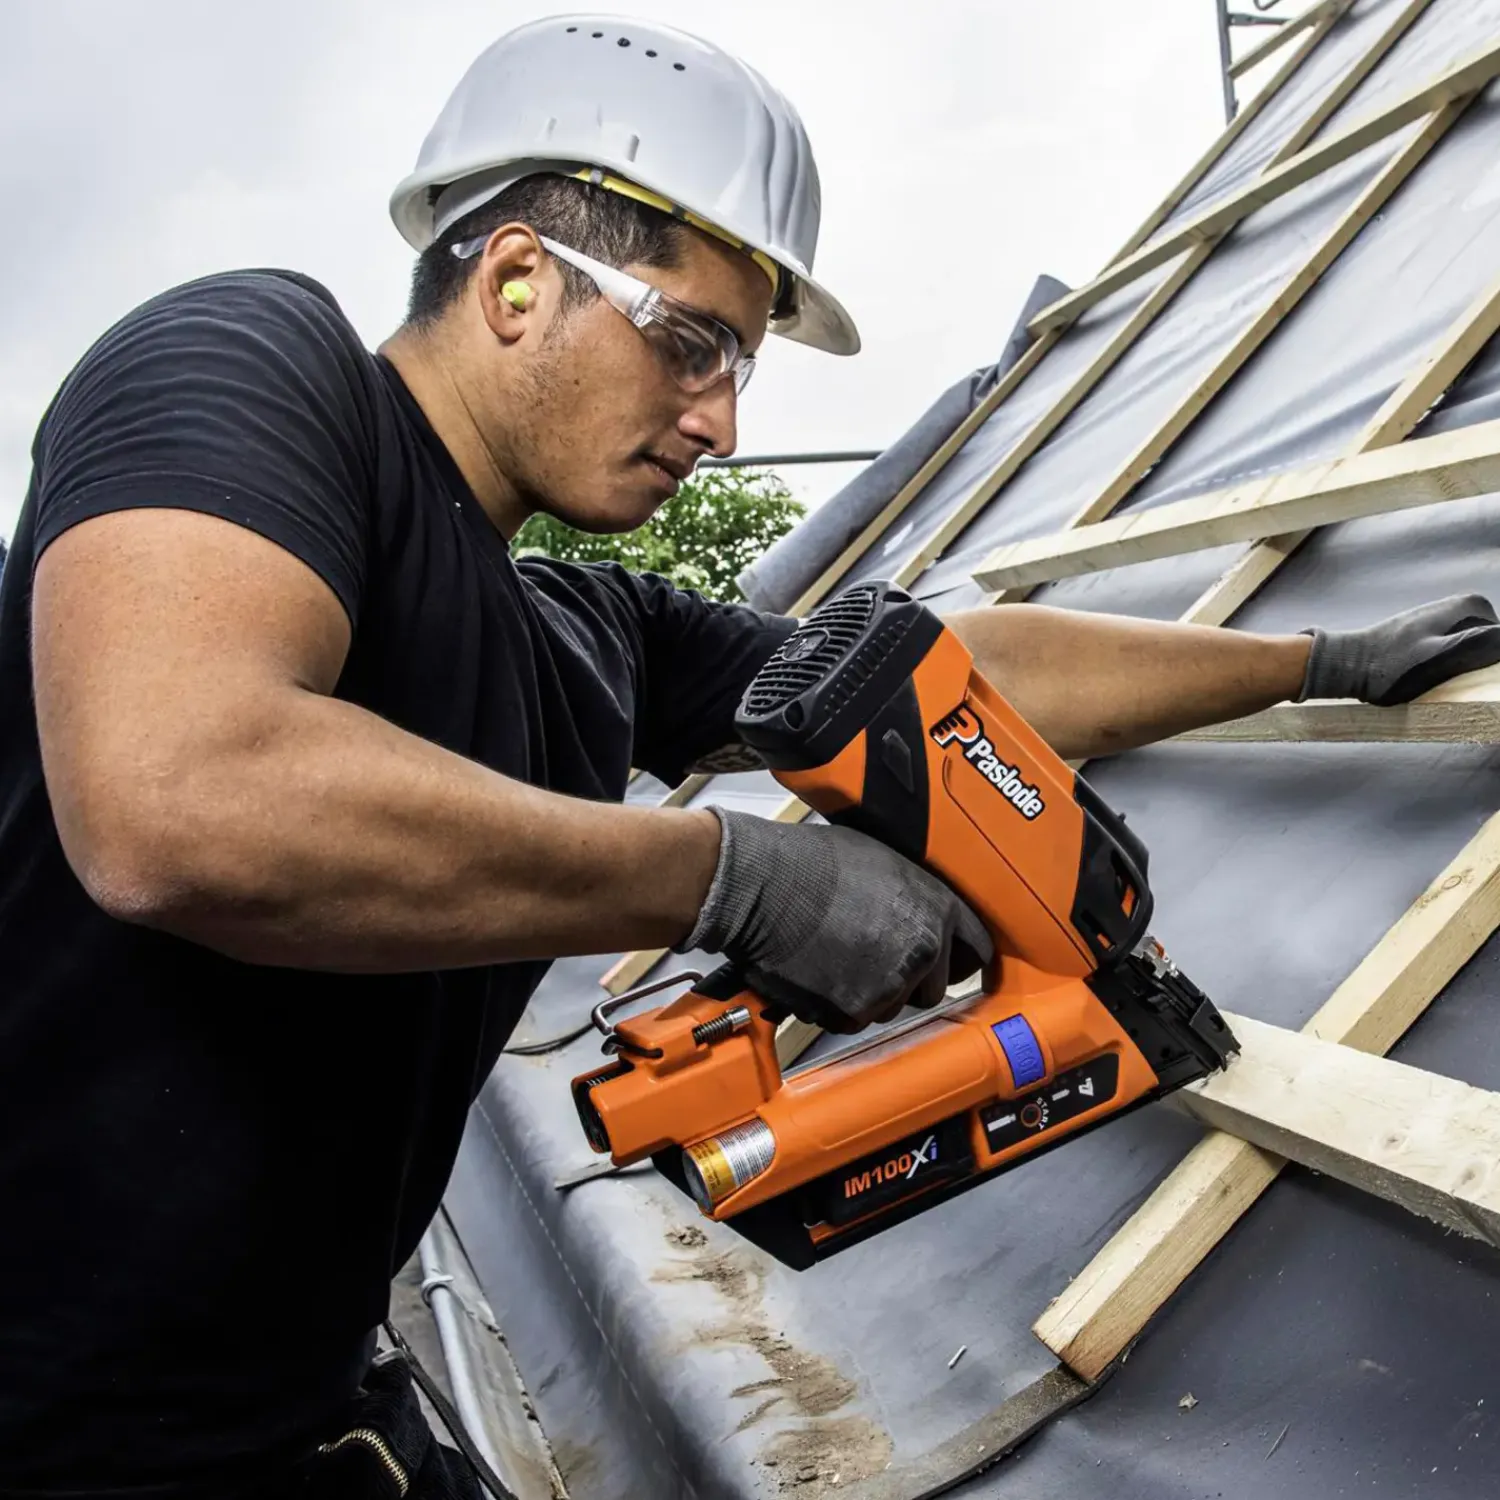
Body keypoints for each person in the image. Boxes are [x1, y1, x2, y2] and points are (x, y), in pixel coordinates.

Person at [2, 13, 1499, 1499]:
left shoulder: (581, 637)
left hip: (280, 1409)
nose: (720, 418)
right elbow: (177, 798)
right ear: (517, 278)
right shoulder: (245, 364)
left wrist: (1320, 660)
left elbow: (947, 676)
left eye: (744, 362)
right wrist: (733, 881)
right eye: (693, 341)